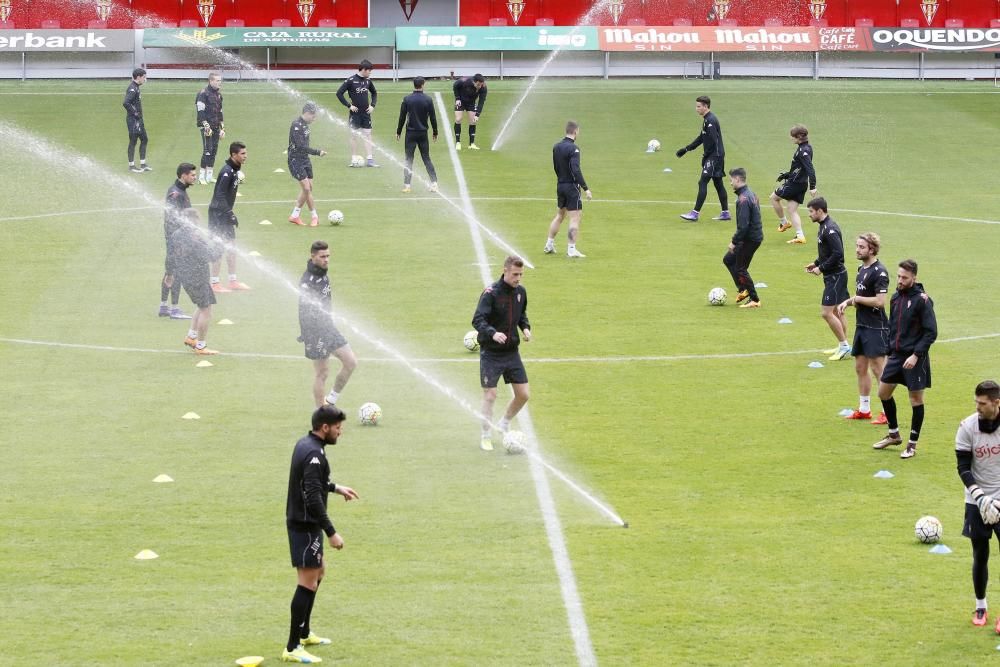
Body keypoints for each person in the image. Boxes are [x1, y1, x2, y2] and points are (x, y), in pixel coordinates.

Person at [282, 404, 359, 664]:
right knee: (307, 581)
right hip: (305, 524)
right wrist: (332, 532)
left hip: (307, 523)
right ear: (325, 427)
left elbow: (312, 482)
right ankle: (292, 647)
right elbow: (313, 497)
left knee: (319, 572)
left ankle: (304, 633)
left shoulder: (307, 445)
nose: (340, 432)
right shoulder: (315, 454)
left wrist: (336, 487)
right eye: (338, 428)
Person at [872, 259, 938, 459]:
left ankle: (912, 444)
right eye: (899, 276)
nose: (900, 280)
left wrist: (916, 355)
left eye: (904, 278)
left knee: (915, 400)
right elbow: (893, 327)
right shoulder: (895, 298)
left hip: (915, 359)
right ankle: (894, 434)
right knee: (883, 393)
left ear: (914, 278)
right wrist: (889, 350)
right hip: (896, 355)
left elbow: (931, 332)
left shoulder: (923, 301)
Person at [472, 255, 531, 451]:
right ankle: (485, 435)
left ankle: (504, 422)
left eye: (521, 274)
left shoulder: (520, 292)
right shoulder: (491, 293)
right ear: (505, 271)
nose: (518, 278)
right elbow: (478, 320)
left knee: (523, 395)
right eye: (515, 274)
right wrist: (493, 333)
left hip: (511, 352)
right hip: (491, 353)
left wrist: (525, 328)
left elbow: (521, 315)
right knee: (490, 395)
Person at [955, 380, 1000, 630]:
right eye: (976, 402)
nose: (978, 407)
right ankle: (981, 606)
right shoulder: (967, 427)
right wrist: (980, 497)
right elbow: (963, 467)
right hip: (976, 499)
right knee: (980, 554)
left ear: (996, 403)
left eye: (982, 404)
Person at [836, 233, 890, 422]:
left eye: (861, 247)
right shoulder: (861, 269)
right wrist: (848, 302)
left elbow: (880, 301)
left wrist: (856, 299)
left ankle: (886, 412)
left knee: (878, 370)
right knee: (860, 367)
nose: (857, 250)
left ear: (872, 249)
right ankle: (864, 409)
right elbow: (860, 297)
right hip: (862, 325)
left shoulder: (880, 272)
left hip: (876, 327)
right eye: (857, 246)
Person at [299, 241, 357, 408]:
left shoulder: (321, 271)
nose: (326, 260)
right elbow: (304, 311)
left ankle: (330, 401)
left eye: (328, 256)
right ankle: (320, 414)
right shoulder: (308, 281)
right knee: (322, 373)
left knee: (351, 362)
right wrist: (310, 334)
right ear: (313, 257)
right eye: (322, 257)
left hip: (327, 327)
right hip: (315, 331)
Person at [164, 209, 224, 355]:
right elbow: (210, 256)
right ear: (194, 220)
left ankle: (191, 337)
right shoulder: (194, 237)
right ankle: (201, 346)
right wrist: (219, 245)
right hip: (197, 277)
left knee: (202, 305)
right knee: (206, 310)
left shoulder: (175, 235)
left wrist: (169, 274)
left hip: (185, 276)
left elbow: (170, 256)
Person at [803, 197, 850, 361]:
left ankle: (844, 346)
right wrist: (816, 263)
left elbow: (838, 254)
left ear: (820, 211)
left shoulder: (829, 229)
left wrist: (820, 268)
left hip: (835, 276)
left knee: (826, 313)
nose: (809, 215)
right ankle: (842, 345)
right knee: (838, 311)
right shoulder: (824, 226)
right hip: (835, 275)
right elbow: (827, 252)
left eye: (811, 211)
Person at [676, 95, 729, 222]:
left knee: (703, 182)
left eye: (698, 106)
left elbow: (712, 140)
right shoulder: (707, 119)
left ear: (706, 106)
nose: (696, 109)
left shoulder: (710, 120)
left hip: (714, 156)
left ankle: (695, 213)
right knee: (718, 183)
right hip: (716, 155)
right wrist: (687, 149)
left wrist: (707, 157)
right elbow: (702, 137)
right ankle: (725, 213)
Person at [544, 120, 593, 258]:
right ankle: (571, 249)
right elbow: (576, 169)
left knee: (560, 215)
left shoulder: (556, 147)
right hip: (571, 187)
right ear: (576, 131)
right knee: (575, 218)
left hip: (560, 184)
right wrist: (585, 188)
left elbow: (556, 167)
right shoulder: (574, 149)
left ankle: (549, 244)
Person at [207, 141, 250, 292]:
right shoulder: (227, 172)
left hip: (224, 214)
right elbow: (219, 196)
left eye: (246, 153)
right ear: (233, 155)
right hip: (217, 215)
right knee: (219, 247)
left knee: (232, 247)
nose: (246, 156)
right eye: (242, 153)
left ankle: (232, 281)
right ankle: (214, 283)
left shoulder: (234, 170)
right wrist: (229, 213)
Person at [158, 163, 197, 320]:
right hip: (177, 240)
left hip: (174, 238)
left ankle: (163, 307)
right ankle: (174, 309)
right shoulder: (176, 194)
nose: (195, 177)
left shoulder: (178, 190)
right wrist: (183, 237)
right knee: (176, 272)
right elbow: (172, 219)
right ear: (183, 175)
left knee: (170, 272)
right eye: (192, 175)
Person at [722, 168, 763, 309]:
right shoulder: (752, 194)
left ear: (738, 179)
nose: (730, 183)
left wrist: (734, 242)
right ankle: (743, 289)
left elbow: (743, 226)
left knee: (741, 268)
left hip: (749, 239)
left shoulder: (743, 200)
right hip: (752, 236)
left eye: (731, 180)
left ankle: (755, 299)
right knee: (728, 259)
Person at [771, 124, 816, 245]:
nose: (791, 138)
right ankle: (800, 236)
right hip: (800, 183)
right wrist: (787, 174)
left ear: (799, 137)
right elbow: (799, 168)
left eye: (793, 136)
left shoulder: (803, 151)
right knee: (792, 209)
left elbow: (810, 169)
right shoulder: (807, 147)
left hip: (795, 184)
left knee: (774, 198)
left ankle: (784, 222)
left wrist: (813, 186)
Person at [287, 103, 328, 227]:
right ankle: (295, 215)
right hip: (295, 160)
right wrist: (317, 152)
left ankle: (314, 217)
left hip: (305, 159)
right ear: (307, 113)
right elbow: (301, 146)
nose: (314, 119)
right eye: (313, 116)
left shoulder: (305, 125)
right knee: (306, 188)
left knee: (309, 188)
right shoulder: (296, 126)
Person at [396, 76, 438, 194]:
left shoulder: (407, 99)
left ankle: (407, 185)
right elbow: (433, 117)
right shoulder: (428, 100)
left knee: (409, 159)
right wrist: (435, 131)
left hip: (410, 134)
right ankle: (434, 183)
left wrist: (398, 131)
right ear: (423, 85)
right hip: (423, 133)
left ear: (414, 85)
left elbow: (402, 117)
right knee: (426, 158)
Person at [336, 59, 378, 168]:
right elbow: (339, 93)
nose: (370, 73)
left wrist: (372, 105)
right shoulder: (351, 80)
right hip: (355, 114)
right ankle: (354, 159)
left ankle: (370, 159)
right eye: (369, 71)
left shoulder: (368, 81)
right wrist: (349, 105)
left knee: (368, 134)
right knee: (354, 135)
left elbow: (374, 93)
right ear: (363, 69)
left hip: (366, 113)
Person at [195, 72, 225, 185]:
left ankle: (209, 176)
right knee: (207, 150)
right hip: (206, 127)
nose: (219, 83)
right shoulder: (203, 94)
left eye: (220, 80)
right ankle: (201, 177)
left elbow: (220, 112)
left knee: (214, 151)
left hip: (216, 126)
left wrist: (223, 128)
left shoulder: (219, 95)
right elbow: (200, 111)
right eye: (217, 81)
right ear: (211, 81)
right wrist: (206, 126)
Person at [123, 67, 151, 173]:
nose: (145, 79)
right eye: (144, 77)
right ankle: (131, 166)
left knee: (144, 139)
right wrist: (135, 113)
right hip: (133, 120)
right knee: (133, 141)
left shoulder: (136, 87)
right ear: (138, 77)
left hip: (138, 120)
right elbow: (126, 103)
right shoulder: (132, 89)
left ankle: (143, 164)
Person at [452, 73, 487, 151]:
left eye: (481, 84)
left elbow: (481, 102)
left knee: (473, 121)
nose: (480, 86)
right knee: (458, 119)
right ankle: (458, 142)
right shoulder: (464, 81)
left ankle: (472, 144)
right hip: (461, 101)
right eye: (478, 84)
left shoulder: (483, 87)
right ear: (474, 82)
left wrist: (477, 115)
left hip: (471, 103)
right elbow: (455, 86)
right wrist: (457, 98)